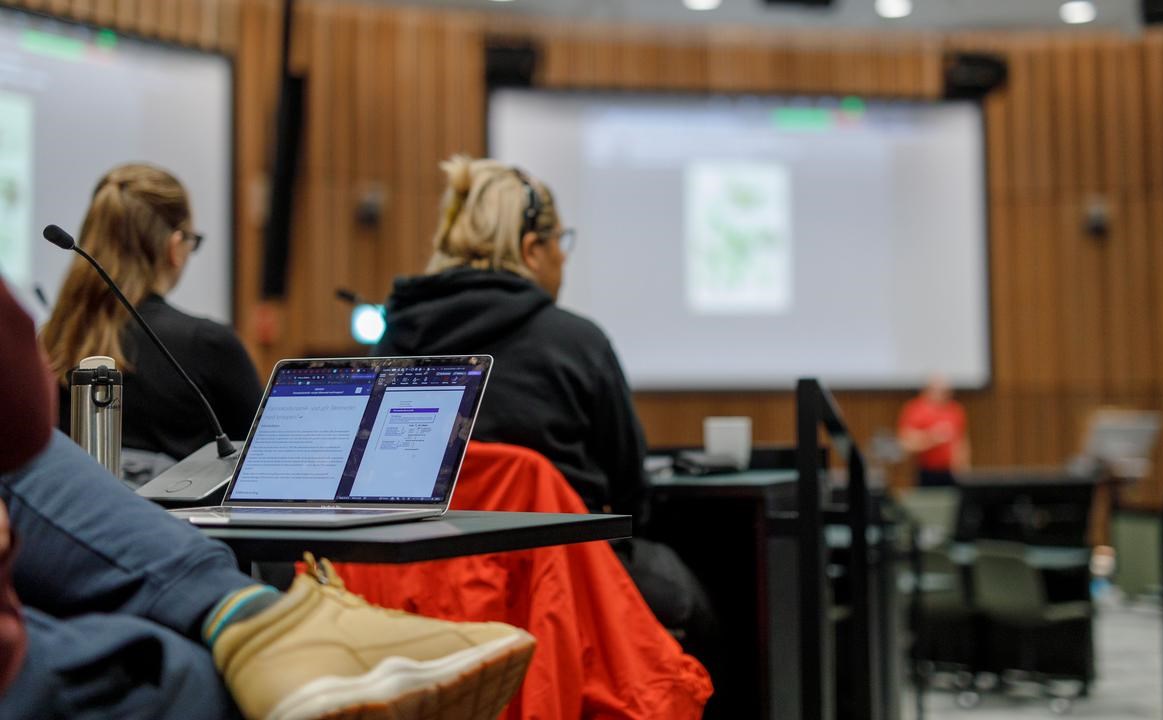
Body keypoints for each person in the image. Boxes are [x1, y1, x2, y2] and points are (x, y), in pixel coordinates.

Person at [0, 278, 535, 719]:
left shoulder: (65, 332)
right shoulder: (206, 342)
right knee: (204, 673)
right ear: (175, 247)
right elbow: (20, 398)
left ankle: (267, 624)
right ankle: (276, 623)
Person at [372, 156, 717, 669]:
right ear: (533, 250)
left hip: (419, 589)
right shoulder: (576, 342)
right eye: (561, 241)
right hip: (563, 587)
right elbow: (628, 490)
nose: (563, 257)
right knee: (700, 609)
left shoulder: (391, 344)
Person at [40, 164, 263, 477]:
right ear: (175, 247)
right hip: (184, 526)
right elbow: (263, 464)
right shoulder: (208, 344)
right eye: (192, 241)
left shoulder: (50, 343)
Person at [898, 374, 970, 487]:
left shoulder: (955, 410)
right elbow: (906, 443)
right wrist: (933, 437)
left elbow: (961, 441)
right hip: (926, 471)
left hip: (950, 472)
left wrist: (964, 466)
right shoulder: (916, 409)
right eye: (940, 391)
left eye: (947, 391)